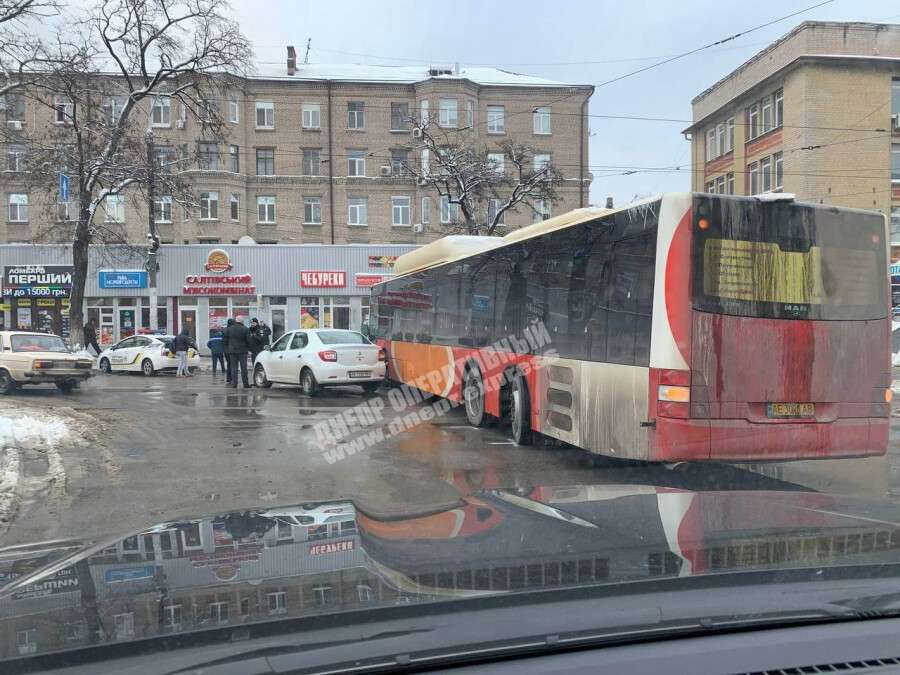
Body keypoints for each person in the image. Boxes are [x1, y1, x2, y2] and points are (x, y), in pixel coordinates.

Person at [223, 316, 251, 388]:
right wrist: (249, 349)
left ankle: (234, 384)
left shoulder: (229, 329)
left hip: (232, 351)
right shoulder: (246, 329)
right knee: (243, 368)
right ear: (242, 321)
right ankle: (246, 384)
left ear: (236, 321)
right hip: (243, 351)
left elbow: (225, 341)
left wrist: (227, 349)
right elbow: (249, 341)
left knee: (233, 368)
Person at [222, 318, 235, 384]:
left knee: (229, 364)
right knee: (232, 365)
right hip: (231, 350)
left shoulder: (224, 330)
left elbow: (223, 341)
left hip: (226, 350)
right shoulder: (232, 330)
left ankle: (228, 379)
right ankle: (232, 379)